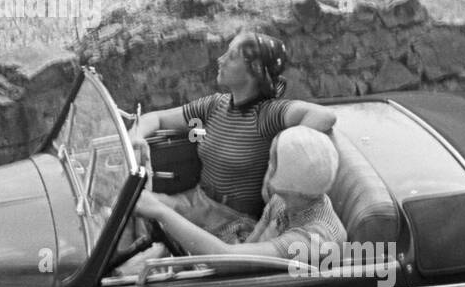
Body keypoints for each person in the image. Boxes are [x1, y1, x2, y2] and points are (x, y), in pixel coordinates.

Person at [126, 29, 335, 243]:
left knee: (158, 246)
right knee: (129, 207)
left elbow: (323, 116)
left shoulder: (267, 114)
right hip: (196, 200)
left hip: (234, 221)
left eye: (232, 56)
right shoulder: (215, 104)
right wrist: (136, 136)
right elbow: (157, 119)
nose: (221, 60)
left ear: (255, 70)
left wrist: (277, 160)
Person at [132, 125, 346, 262]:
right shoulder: (284, 200)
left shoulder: (312, 239)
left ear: (290, 180)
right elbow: (249, 247)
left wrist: (161, 212)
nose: (267, 164)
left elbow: (228, 259)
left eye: (273, 160)